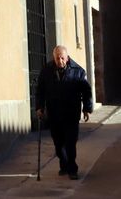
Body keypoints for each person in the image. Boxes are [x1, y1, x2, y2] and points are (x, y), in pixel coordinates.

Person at [35, 45, 93, 179]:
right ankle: (64, 164)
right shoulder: (46, 71)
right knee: (58, 143)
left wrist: (86, 109)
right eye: (57, 58)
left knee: (70, 142)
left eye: (62, 58)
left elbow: (86, 91)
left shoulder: (78, 71)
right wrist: (39, 107)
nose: (60, 61)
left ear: (67, 58)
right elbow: (40, 91)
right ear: (53, 58)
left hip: (71, 113)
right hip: (54, 113)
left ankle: (72, 169)